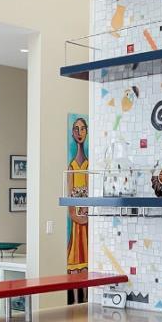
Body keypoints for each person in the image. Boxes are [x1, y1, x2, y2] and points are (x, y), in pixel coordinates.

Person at [66, 116, 90, 305]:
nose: (79, 132)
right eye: (76, 129)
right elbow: (70, 200)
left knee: (87, 259)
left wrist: (88, 217)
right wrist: (77, 217)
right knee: (75, 259)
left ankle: (87, 300)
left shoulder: (90, 166)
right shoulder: (72, 167)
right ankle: (75, 302)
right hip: (77, 222)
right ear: (73, 134)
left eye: (82, 129)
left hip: (88, 219)